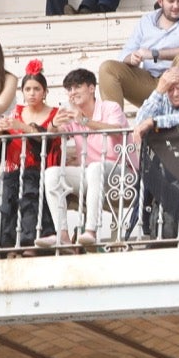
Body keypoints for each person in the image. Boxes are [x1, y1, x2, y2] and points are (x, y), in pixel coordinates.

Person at [40, 67, 129, 249]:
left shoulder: (110, 107)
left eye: (77, 87)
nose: (72, 93)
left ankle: (91, 231)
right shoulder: (73, 115)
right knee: (52, 173)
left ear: (91, 88)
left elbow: (116, 130)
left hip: (122, 174)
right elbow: (55, 134)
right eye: (69, 89)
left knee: (95, 167)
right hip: (91, 175)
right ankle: (62, 234)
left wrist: (85, 121)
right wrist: (53, 124)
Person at [97, 0, 179, 111]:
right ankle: (114, 125)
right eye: (171, 1)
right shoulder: (147, 20)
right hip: (150, 83)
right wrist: (132, 58)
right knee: (107, 68)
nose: (176, 6)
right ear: (160, 1)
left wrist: (155, 54)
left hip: (178, 82)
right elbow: (124, 54)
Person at [0, 66, 60, 250]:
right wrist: (0, 129)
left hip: (42, 171)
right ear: (22, 92)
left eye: (37, 89)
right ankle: (5, 246)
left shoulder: (55, 113)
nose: (32, 93)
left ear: (45, 92)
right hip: (15, 170)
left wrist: (21, 126)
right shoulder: (15, 112)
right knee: (1, 193)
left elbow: (48, 139)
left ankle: (30, 243)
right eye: (28, 89)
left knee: (29, 191)